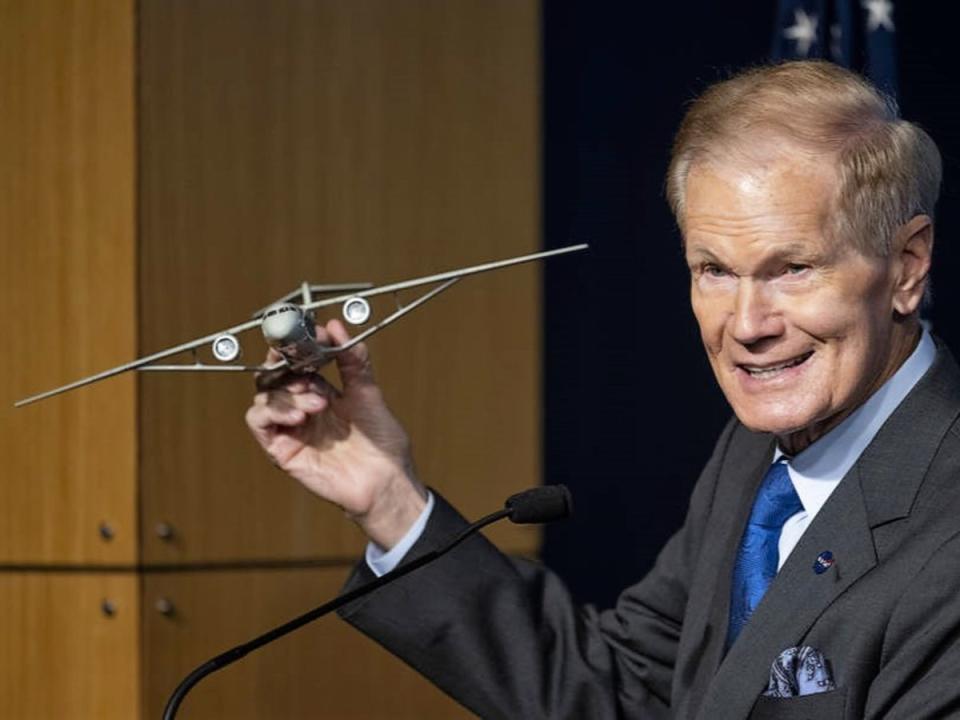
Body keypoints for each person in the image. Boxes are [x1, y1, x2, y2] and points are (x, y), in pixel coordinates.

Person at [245, 60, 960, 719]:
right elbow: (624, 693)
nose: (746, 325)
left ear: (905, 266)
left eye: (793, 268)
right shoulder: (757, 454)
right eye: (714, 270)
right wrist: (390, 501)